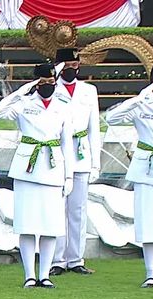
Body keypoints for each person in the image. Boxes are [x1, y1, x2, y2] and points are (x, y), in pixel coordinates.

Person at [0, 63, 74, 288]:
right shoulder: (24, 104)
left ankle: (45, 274)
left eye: (51, 82)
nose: (48, 86)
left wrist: (69, 177)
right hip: (27, 169)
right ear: (36, 83)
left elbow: (67, 144)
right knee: (27, 225)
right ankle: (29, 274)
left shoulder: (63, 106)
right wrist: (22, 90)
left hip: (53, 169)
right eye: (43, 82)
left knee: (51, 226)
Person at [105, 66, 153, 288]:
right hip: (147, 168)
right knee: (149, 222)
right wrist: (140, 97)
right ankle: (150, 272)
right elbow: (111, 117)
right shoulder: (141, 104)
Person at [51, 48, 101, 276]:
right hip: (58, 152)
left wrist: (96, 163)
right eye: (66, 65)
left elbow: (94, 130)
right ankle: (57, 259)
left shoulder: (89, 91)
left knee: (78, 209)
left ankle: (76, 258)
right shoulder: (51, 89)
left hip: (80, 151)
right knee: (58, 208)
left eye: (74, 64)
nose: (71, 68)